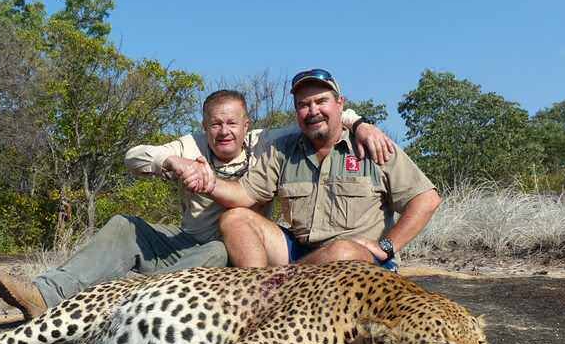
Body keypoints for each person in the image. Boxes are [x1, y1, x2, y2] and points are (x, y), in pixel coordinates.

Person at [0, 89, 395, 319]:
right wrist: (172, 161)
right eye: (215, 124)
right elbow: (134, 155)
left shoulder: (267, 141)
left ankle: (124, 303)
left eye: (232, 123)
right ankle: (44, 294)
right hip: (185, 238)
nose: (224, 131)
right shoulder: (190, 145)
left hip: (229, 249)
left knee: (225, 245)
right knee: (122, 225)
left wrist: (360, 124)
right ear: (205, 127)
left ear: (246, 125)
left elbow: (320, 116)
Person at [178, 69, 441, 270]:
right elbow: (244, 195)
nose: (312, 110)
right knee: (234, 218)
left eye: (321, 101)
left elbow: (426, 199)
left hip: (359, 261)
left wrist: (387, 246)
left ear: (340, 103)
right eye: (303, 105)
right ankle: (257, 296)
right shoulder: (283, 150)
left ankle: (278, 291)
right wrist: (207, 182)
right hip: (300, 254)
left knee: (342, 252)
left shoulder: (373, 145)